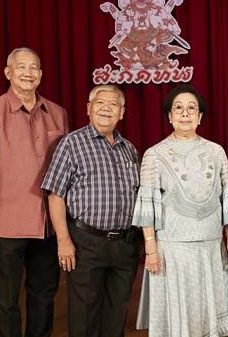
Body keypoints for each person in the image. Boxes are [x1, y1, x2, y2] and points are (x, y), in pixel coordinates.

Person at [0, 47, 69, 337]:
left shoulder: (58, 113)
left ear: (41, 74)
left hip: (47, 224)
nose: (28, 72)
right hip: (5, 226)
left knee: (43, 297)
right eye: (21, 67)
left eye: (34, 67)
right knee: (5, 301)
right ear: (7, 72)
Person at [132, 84, 228, 337]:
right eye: (178, 108)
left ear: (200, 116)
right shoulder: (154, 154)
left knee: (207, 313)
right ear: (169, 116)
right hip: (172, 248)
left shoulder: (216, 151)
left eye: (192, 108)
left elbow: (227, 199)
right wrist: (151, 249)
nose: (185, 113)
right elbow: (148, 204)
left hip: (211, 247)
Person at [41, 85, 142, 337]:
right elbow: (55, 195)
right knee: (84, 315)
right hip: (86, 242)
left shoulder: (129, 149)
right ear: (88, 109)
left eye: (113, 104)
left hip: (124, 244)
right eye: (100, 103)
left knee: (117, 313)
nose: (106, 108)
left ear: (122, 112)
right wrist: (63, 241)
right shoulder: (71, 144)